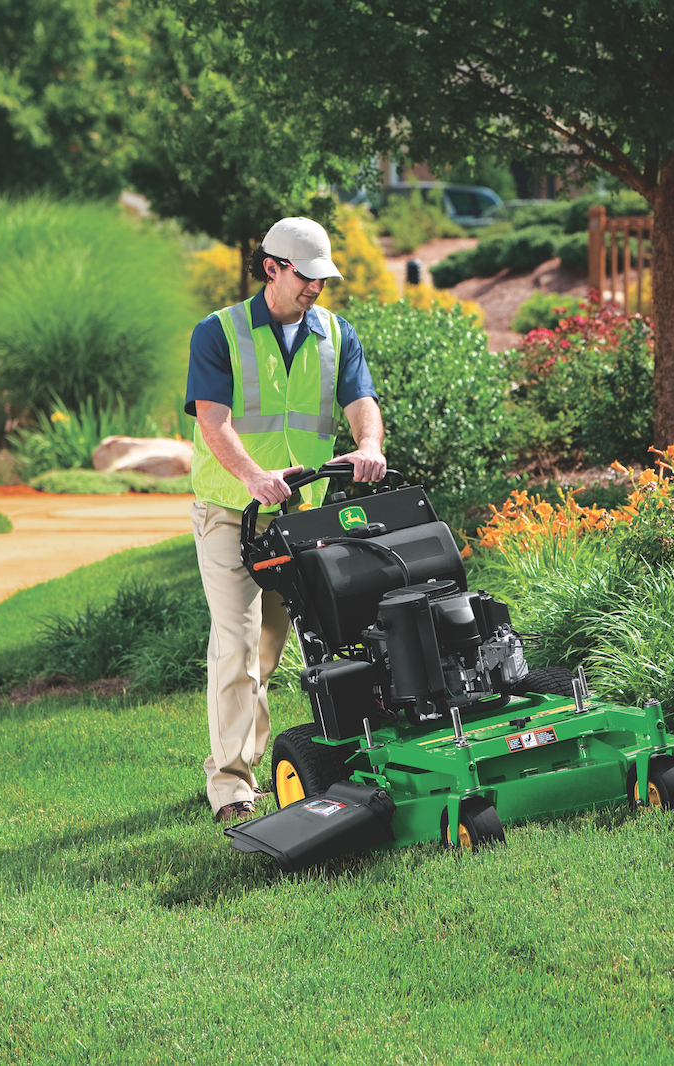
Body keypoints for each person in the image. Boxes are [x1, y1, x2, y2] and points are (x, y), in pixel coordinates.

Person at [185, 216, 387, 826]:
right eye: (306, 276)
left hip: (299, 516)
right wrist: (252, 476)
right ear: (272, 268)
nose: (316, 288)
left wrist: (369, 444)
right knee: (238, 644)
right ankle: (231, 786)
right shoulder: (219, 332)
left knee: (269, 648)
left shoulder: (335, 333)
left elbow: (360, 401)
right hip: (231, 511)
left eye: (323, 278)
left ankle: (248, 756)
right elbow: (212, 419)